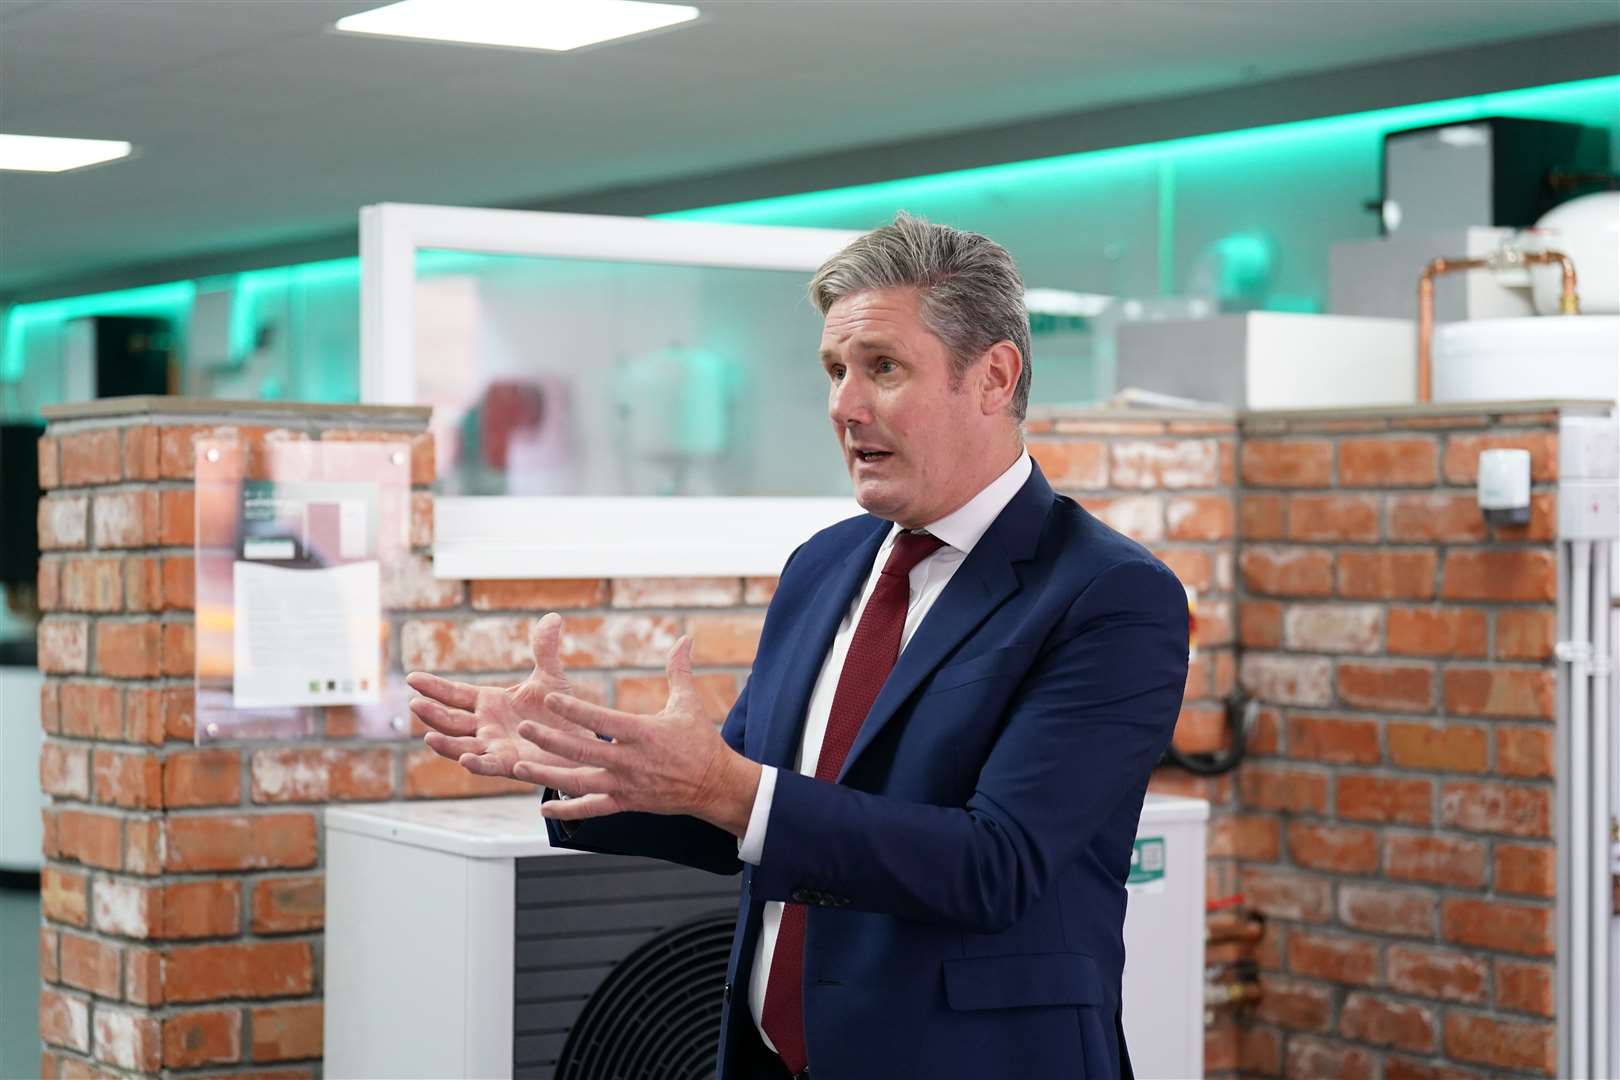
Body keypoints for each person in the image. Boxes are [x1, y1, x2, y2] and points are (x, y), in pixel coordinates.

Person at [408, 213, 1189, 1080]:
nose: (844, 405)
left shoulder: (1108, 595)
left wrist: (727, 785)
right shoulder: (824, 565)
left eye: (883, 368)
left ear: (993, 377)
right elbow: (741, 806)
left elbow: (993, 865)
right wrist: (581, 762)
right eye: (835, 370)